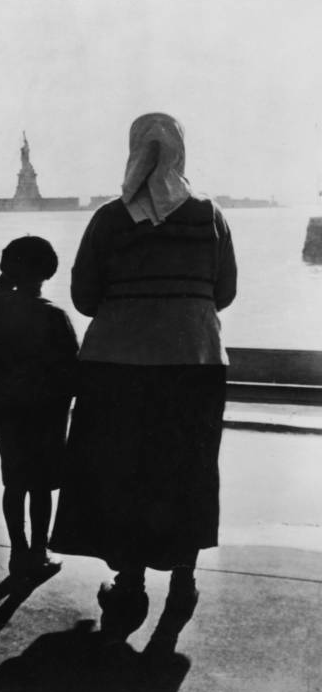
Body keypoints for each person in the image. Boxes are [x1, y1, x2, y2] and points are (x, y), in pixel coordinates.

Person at [50, 112, 237, 649]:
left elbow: (85, 298)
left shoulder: (110, 219)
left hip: (117, 366)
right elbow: (222, 293)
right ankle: (184, 578)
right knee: (188, 468)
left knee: (123, 470)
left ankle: (129, 582)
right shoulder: (211, 216)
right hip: (194, 361)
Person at [0, 236, 78, 581]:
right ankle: (39, 550)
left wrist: (8, 270)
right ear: (49, 272)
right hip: (46, 414)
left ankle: (18, 551)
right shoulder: (56, 317)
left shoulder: (1, 307)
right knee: (41, 485)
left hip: (7, 408)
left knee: (14, 481)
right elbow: (72, 371)